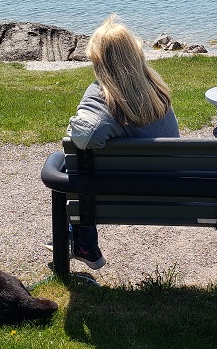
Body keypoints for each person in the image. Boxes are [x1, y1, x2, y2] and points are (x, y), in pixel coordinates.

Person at [64, 14, 180, 269]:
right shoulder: (155, 88)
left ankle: (86, 245)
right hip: (170, 191)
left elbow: (85, 137)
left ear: (99, 61)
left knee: (68, 166)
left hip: (126, 195)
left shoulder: (104, 97)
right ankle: (84, 244)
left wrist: (92, 98)